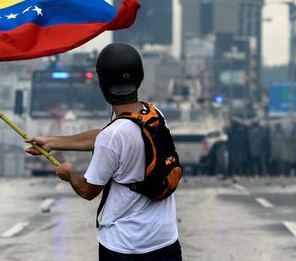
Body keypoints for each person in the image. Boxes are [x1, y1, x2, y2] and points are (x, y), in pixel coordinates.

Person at [25, 42, 182, 261]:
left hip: (125, 247)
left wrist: (69, 173)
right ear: (139, 78)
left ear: (102, 84)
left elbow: (88, 191)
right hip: (165, 241)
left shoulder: (113, 137)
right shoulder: (154, 115)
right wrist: (52, 142)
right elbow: (108, 136)